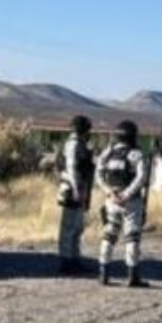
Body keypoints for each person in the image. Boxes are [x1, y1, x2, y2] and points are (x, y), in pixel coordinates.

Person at [95, 120, 148, 287]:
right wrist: (126, 194)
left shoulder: (108, 153)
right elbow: (141, 178)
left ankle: (103, 274)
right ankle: (133, 276)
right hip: (131, 201)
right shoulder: (136, 154)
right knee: (132, 237)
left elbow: (99, 174)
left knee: (109, 234)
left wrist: (109, 192)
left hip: (111, 199)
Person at [55, 115, 95, 275]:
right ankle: (66, 261)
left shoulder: (80, 144)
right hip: (72, 189)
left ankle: (74, 259)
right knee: (69, 227)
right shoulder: (73, 145)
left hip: (78, 188)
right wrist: (78, 190)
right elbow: (72, 168)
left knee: (77, 227)